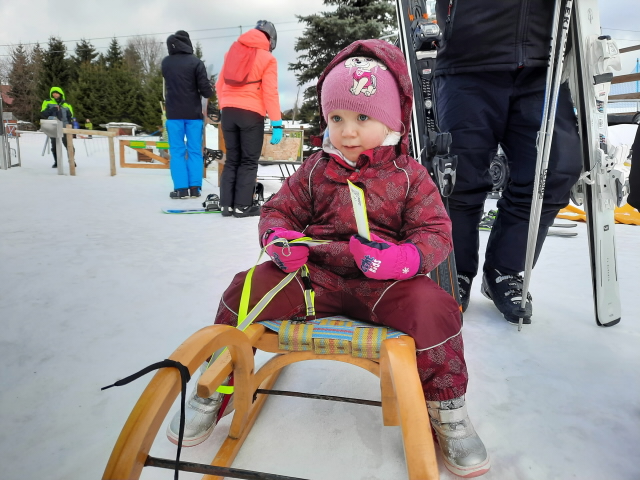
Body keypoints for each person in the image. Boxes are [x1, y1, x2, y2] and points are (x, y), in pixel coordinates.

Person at [166, 39, 491, 478]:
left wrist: (405, 259)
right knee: (245, 289)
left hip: (383, 283)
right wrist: (279, 239)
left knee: (435, 309)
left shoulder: (409, 176)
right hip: (312, 278)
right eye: (336, 118)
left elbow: (435, 231)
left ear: (393, 121)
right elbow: (278, 209)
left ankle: (447, 409)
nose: (347, 132)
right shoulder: (317, 169)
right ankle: (217, 385)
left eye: (362, 118)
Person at [433, 1, 583, 323]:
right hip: (468, 59)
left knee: (555, 169)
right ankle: (455, 270)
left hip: (545, 61)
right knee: (458, 175)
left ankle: (505, 269)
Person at [215, 20, 283, 218]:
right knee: (248, 161)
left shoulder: (231, 53)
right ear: (270, 39)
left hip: (228, 113)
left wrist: (224, 107)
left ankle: (226, 205)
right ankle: (242, 206)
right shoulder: (268, 59)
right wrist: (277, 123)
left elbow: (219, 85)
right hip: (250, 114)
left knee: (232, 160)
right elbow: (270, 92)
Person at [161, 30, 214, 199]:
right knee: (194, 151)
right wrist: (209, 87)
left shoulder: (166, 63)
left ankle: (181, 189)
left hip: (173, 114)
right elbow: (206, 92)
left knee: (176, 151)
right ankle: (195, 188)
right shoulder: (196, 62)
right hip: (193, 115)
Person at [40, 87, 75, 168]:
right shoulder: (47, 102)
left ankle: (72, 160)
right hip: (53, 127)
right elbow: (43, 113)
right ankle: (57, 162)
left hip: (65, 126)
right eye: (53, 93)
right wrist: (53, 109)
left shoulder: (66, 104)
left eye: (56, 93)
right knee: (54, 146)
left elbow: (70, 116)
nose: (55, 94)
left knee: (69, 145)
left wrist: (71, 126)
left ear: (60, 94)